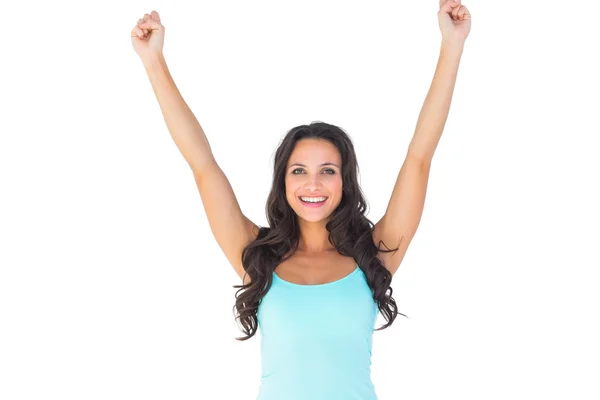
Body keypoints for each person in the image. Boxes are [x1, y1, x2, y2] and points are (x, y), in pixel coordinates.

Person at [131, 2, 471, 398]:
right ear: (283, 181)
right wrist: (153, 61)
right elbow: (202, 164)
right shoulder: (256, 256)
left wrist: (452, 47)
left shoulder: (374, 255)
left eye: (327, 170)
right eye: (299, 171)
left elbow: (419, 158)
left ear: (344, 181)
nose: (313, 184)